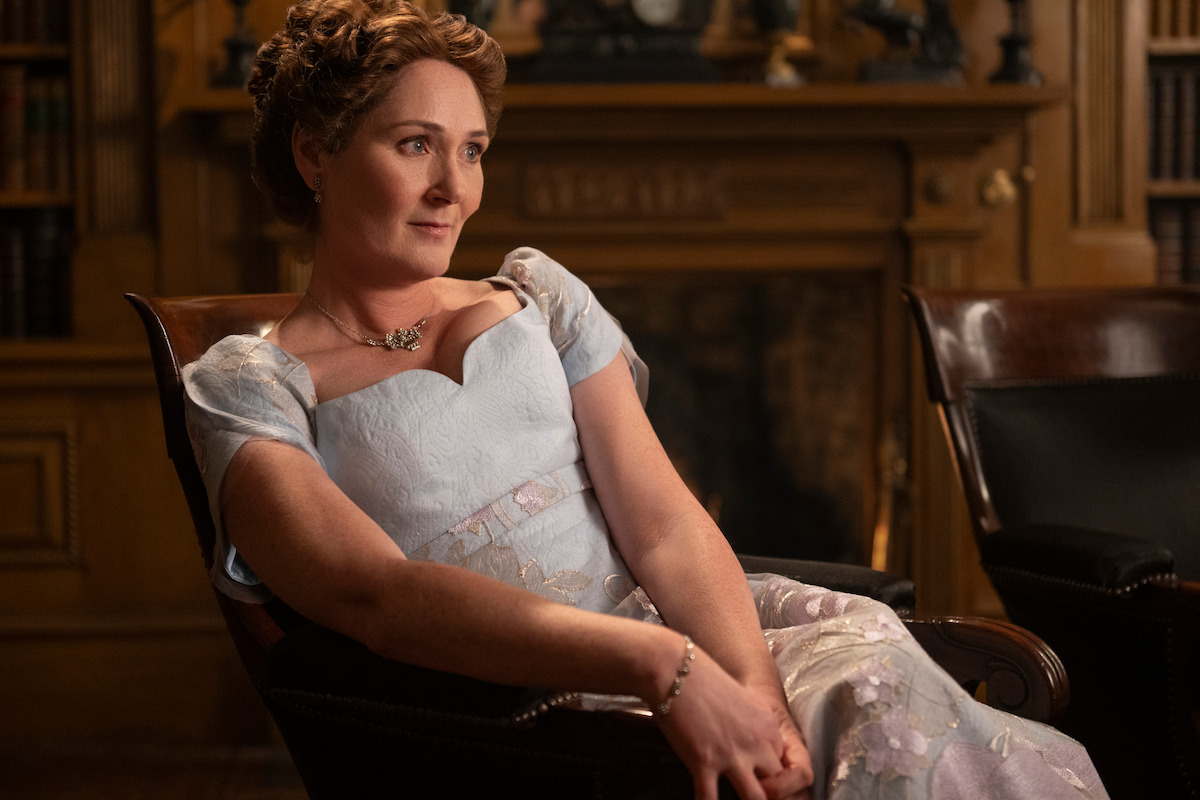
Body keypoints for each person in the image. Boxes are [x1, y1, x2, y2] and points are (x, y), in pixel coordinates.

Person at [182, 2, 1109, 798]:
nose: (453, 189)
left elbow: (662, 522)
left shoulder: (536, 296)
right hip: (535, 704)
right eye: (415, 144)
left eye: (473, 150)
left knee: (866, 675)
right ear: (314, 152)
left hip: (702, 636)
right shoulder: (249, 388)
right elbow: (375, 597)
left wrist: (749, 692)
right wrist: (663, 673)